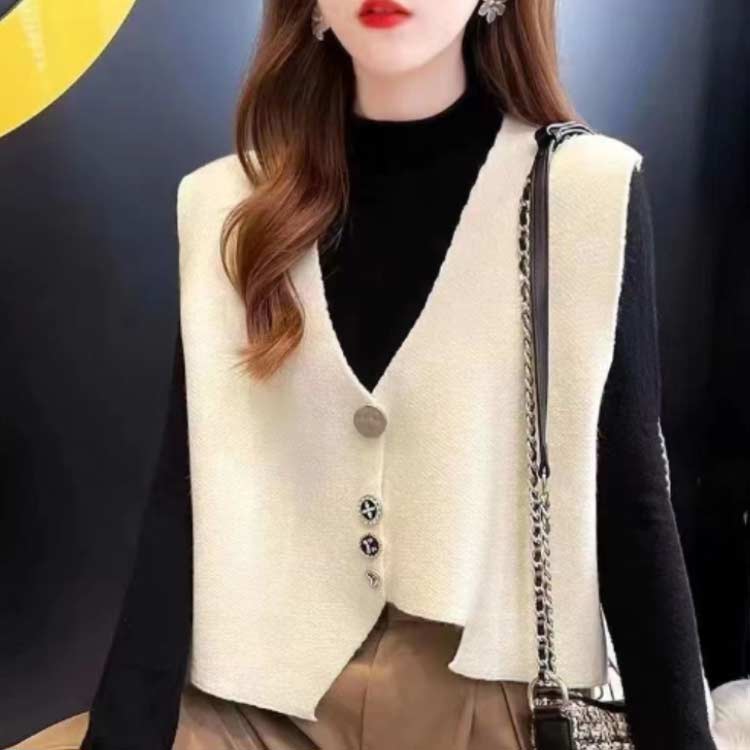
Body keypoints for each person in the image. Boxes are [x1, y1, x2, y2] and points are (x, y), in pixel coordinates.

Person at [80, 1, 719, 748]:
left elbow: (632, 508)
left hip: (491, 709)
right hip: (252, 709)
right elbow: (180, 498)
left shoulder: (582, 193)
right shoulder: (227, 209)